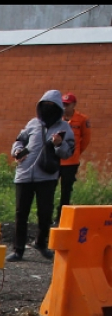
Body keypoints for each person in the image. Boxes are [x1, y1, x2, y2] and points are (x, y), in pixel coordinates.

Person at [8, 90, 75, 262]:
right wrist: (16, 150)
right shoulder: (32, 123)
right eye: (45, 105)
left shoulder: (64, 127)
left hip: (47, 176)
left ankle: (41, 243)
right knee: (21, 213)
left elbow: (68, 153)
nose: (48, 109)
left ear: (59, 108)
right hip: (24, 174)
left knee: (45, 213)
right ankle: (18, 249)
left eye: (52, 106)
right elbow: (19, 140)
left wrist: (59, 145)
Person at [56, 93, 92, 223]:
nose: (64, 107)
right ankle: (46, 216)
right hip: (55, 160)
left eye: (67, 105)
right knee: (48, 189)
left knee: (66, 190)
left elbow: (86, 139)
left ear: (73, 105)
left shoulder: (82, 119)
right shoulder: (56, 118)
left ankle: (61, 217)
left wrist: (76, 152)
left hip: (71, 162)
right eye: (63, 104)